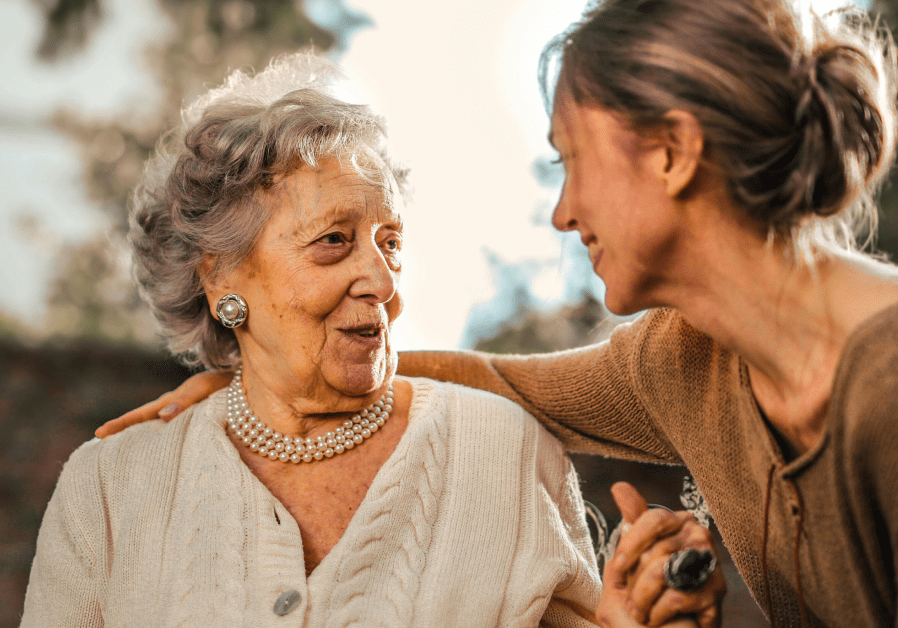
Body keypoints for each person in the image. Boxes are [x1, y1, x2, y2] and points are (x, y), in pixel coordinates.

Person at [101, 0, 898, 626]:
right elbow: (496, 381)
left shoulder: (884, 379)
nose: (563, 211)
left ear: (672, 152)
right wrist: (270, 377)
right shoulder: (682, 360)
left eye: (572, 159)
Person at [22, 52, 719, 628]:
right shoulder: (109, 487)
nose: (383, 281)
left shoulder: (504, 451)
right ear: (220, 276)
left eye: (391, 242)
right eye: (334, 241)